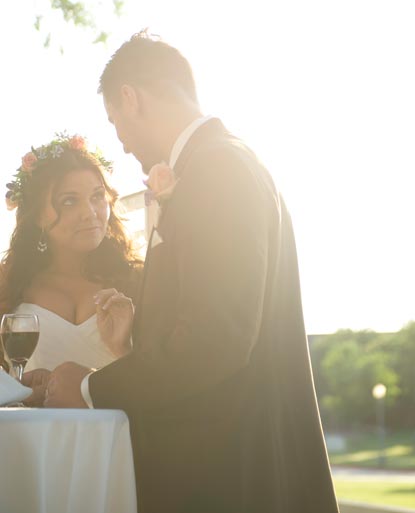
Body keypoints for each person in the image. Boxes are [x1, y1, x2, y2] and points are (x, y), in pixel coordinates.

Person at [36, 32, 339, 513]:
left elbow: (215, 340)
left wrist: (91, 387)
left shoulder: (218, 169)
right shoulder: (223, 162)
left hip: (231, 478)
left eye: (116, 123)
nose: (124, 142)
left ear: (131, 98)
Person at [1, 133, 140, 400]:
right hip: (36, 440)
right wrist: (16, 389)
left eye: (97, 196)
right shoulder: (7, 286)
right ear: (38, 215)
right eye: (69, 201)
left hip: (118, 439)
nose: (90, 212)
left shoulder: (139, 280)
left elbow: (167, 380)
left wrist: (124, 349)